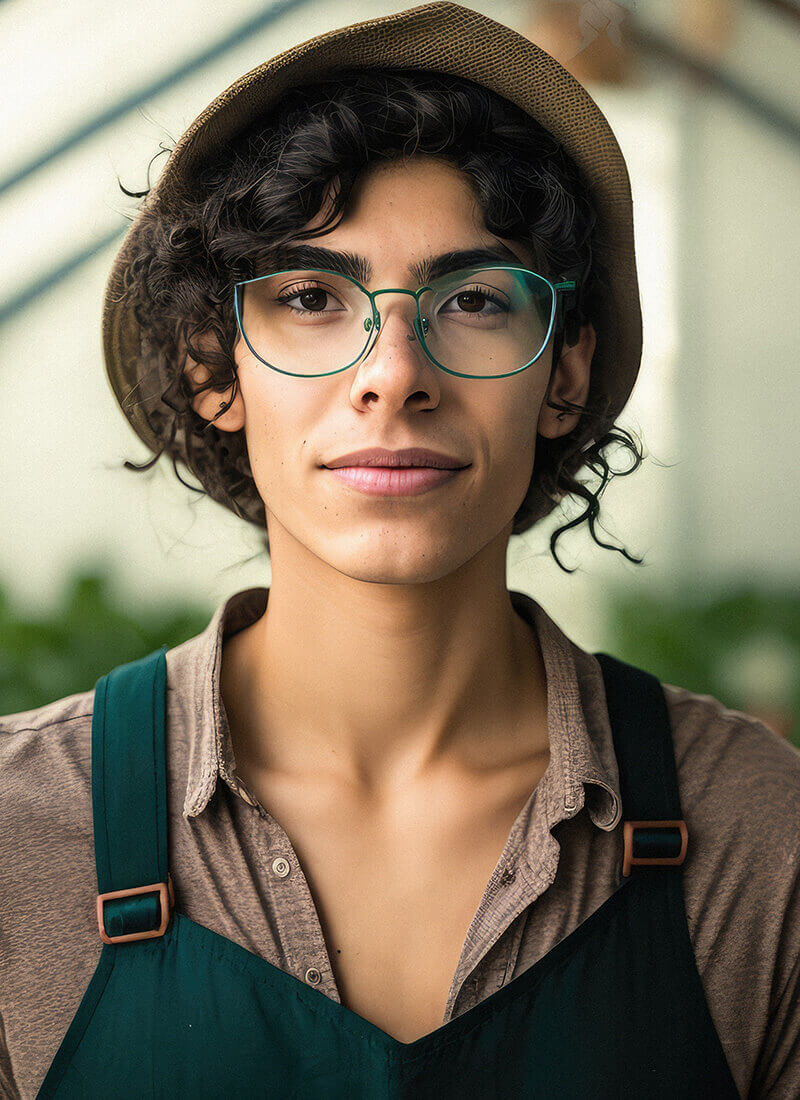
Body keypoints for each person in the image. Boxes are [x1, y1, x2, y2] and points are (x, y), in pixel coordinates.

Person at [1, 3, 799, 1097]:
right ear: (212, 370)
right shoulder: (16, 833)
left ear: (563, 372)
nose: (393, 372)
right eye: (309, 298)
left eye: (472, 299)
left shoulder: (761, 832)